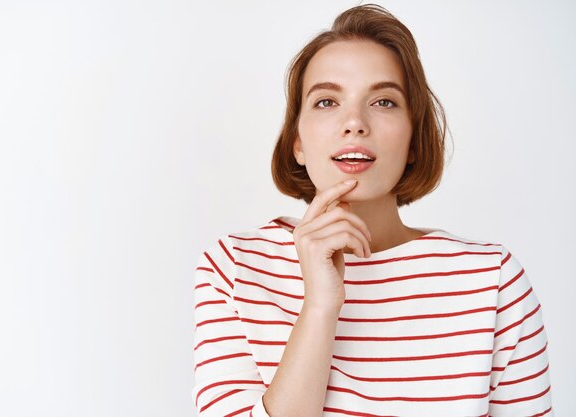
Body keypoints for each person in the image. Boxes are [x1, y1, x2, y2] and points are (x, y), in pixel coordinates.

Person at [191, 4, 553, 416]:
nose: (354, 123)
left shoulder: (493, 281)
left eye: (383, 102)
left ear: (415, 140)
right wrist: (320, 307)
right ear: (298, 142)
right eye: (327, 102)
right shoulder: (235, 268)